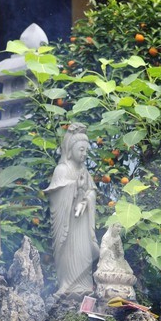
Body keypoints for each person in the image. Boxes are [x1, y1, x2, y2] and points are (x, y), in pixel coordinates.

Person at [47, 125, 101, 296]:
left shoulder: (84, 170)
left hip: (82, 223)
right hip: (68, 225)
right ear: (70, 150)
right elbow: (56, 196)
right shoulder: (62, 170)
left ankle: (85, 286)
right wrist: (75, 187)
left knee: (84, 253)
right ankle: (67, 285)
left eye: (86, 150)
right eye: (81, 150)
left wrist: (85, 200)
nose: (84, 154)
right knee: (70, 254)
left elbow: (92, 191)